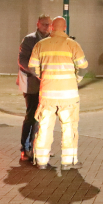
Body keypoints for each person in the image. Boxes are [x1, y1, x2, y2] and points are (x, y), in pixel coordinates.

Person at [28, 16, 88, 171]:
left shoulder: (41, 45)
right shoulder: (73, 45)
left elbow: (32, 67)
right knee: (69, 128)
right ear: (65, 27)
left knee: (44, 127)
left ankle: (41, 161)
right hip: (68, 96)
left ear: (52, 28)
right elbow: (83, 67)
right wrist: (76, 80)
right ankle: (68, 162)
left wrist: (43, 77)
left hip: (47, 95)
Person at [17, 14, 51, 162]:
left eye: (49, 25)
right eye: (44, 24)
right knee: (31, 116)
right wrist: (34, 72)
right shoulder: (29, 40)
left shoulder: (51, 40)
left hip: (47, 84)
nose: (47, 27)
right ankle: (25, 149)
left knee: (42, 117)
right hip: (31, 84)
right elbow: (22, 60)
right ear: (37, 24)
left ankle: (36, 146)